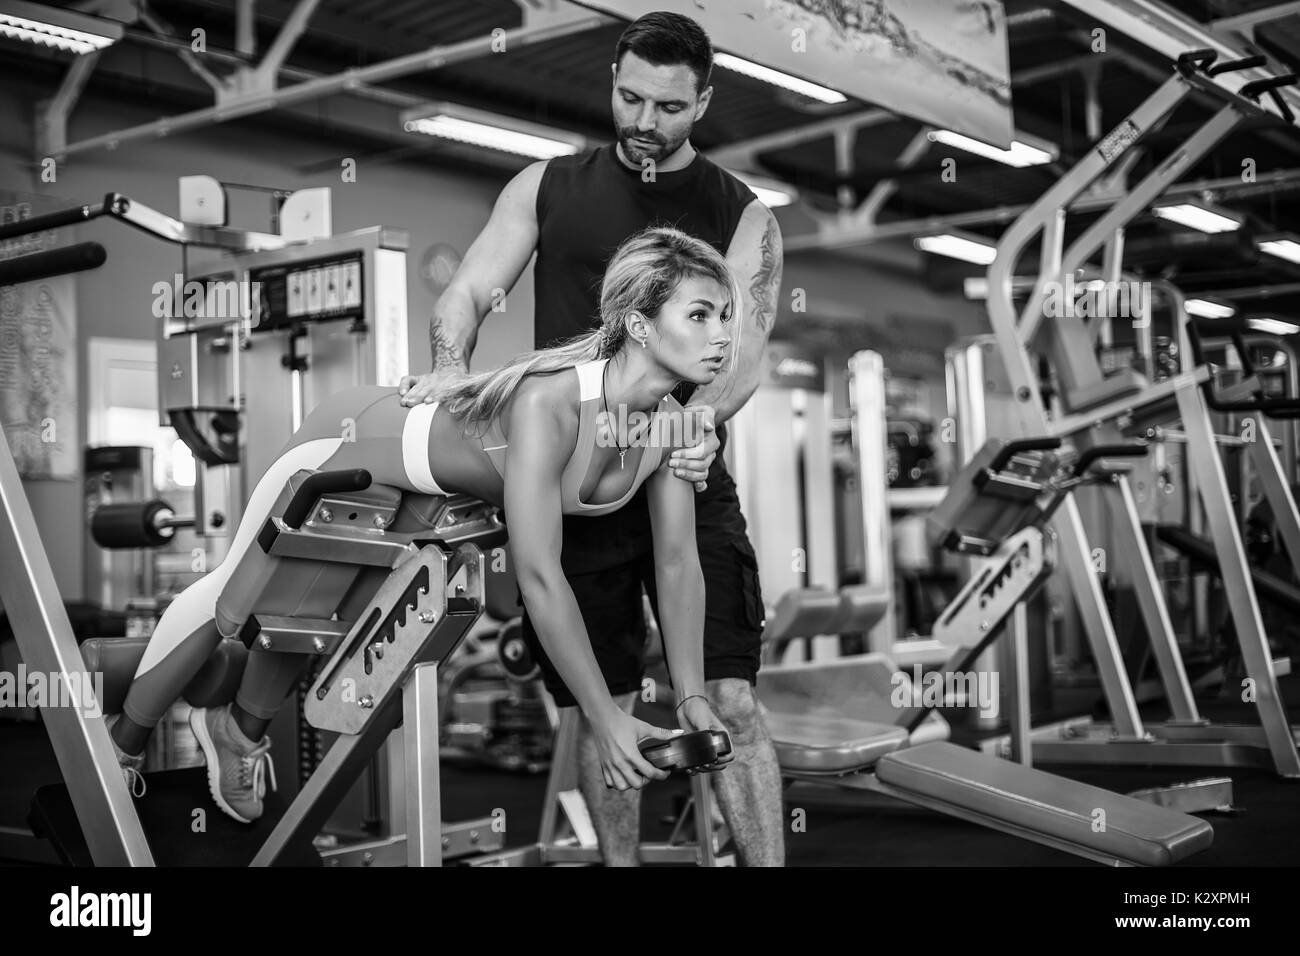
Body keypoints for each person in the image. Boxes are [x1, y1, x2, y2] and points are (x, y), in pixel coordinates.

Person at [107, 227, 734, 823]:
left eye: (725, 316)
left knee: (315, 615)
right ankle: (123, 741)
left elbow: (677, 563)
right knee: (234, 590)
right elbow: (540, 575)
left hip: (429, 499)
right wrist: (604, 716)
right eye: (700, 314)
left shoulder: (674, 425)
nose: (722, 335)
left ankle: (235, 733)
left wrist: (691, 697)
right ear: (638, 325)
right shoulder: (553, 402)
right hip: (352, 445)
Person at [398, 11, 785, 866]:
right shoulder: (545, 187)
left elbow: (745, 354)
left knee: (728, 695)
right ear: (611, 80)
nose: (645, 122)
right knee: (602, 699)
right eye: (630, 97)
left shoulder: (743, 212)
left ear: (705, 101)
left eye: (671, 108)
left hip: (682, 456)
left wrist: (693, 427)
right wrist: (446, 364)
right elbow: (465, 293)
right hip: (568, 475)